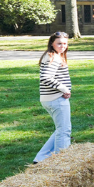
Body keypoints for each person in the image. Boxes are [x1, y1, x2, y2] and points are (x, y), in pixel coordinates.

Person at [36, 32, 73, 163]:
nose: (62, 46)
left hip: (49, 99)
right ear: (52, 43)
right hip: (56, 99)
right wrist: (64, 89)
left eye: (64, 43)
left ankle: (40, 158)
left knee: (60, 128)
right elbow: (46, 78)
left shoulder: (52, 55)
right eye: (59, 43)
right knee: (64, 130)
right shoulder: (54, 57)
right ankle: (61, 162)